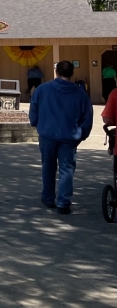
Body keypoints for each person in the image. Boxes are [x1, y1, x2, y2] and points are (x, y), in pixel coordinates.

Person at [29, 60, 93, 214]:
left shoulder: (42, 89)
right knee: (67, 168)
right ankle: (64, 202)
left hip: (47, 133)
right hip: (69, 135)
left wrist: (37, 124)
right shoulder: (80, 94)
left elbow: (34, 111)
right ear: (72, 73)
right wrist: (81, 134)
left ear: (56, 71)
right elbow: (87, 117)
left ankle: (48, 197)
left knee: (48, 167)